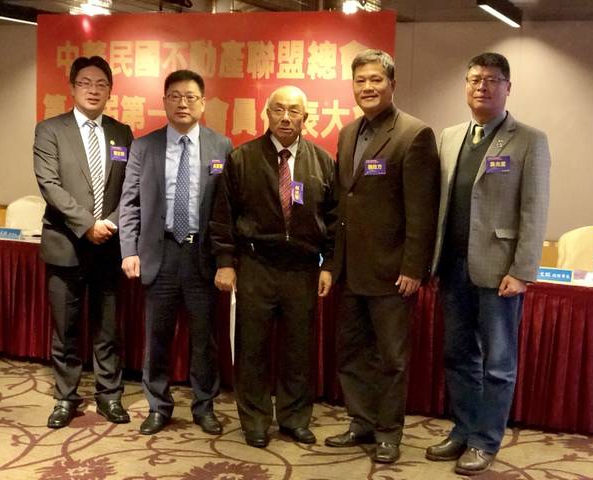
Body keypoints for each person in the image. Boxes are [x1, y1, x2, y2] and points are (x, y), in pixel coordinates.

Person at [425, 52, 550, 476]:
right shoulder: (450, 136)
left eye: (493, 80)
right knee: (458, 355)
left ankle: (485, 441)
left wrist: (522, 271)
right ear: (466, 85)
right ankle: (463, 429)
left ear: (508, 88)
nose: (483, 86)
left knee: (498, 363)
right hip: (452, 266)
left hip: (500, 273)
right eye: (475, 78)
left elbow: (534, 209)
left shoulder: (529, 140)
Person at [324, 49, 440, 464]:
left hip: (392, 272)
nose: (368, 87)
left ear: (392, 84)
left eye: (376, 80)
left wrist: (413, 267)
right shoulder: (347, 133)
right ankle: (361, 422)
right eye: (360, 81)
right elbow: (344, 202)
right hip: (350, 271)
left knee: (391, 358)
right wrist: (332, 264)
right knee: (352, 353)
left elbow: (422, 210)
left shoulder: (414, 134)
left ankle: (388, 433)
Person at [210, 85, 336, 448]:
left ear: (305, 118)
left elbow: (334, 218)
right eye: (278, 110)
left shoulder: (322, 161)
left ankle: (294, 419)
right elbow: (223, 216)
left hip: (302, 267)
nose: (285, 118)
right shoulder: (243, 158)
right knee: (252, 347)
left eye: (294, 111)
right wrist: (225, 262)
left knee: (299, 349)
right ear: (267, 114)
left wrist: (329, 265)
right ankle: (255, 420)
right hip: (255, 264)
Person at [119, 70, 232, 435]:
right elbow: (130, 204)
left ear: (203, 102)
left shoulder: (221, 146)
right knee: (157, 336)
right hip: (161, 252)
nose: (183, 103)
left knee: (204, 339)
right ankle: (158, 405)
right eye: (175, 96)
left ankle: (204, 405)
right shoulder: (144, 146)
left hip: (202, 254)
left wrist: (227, 259)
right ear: (164, 101)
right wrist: (128, 250)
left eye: (190, 97)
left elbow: (227, 208)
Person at [33, 56, 133, 428]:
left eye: (101, 84)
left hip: (109, 246)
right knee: (67, 329)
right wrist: (87, 224)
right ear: (73, 87)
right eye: (86, 83)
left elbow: (131, 187)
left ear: (110, 91)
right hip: (66, 244)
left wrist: (112, 222)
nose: (93, 90)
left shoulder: (122, 132)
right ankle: (66, 397)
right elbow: (49, 184)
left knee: (108, 329)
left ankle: (110, 396)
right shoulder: (50, 130)